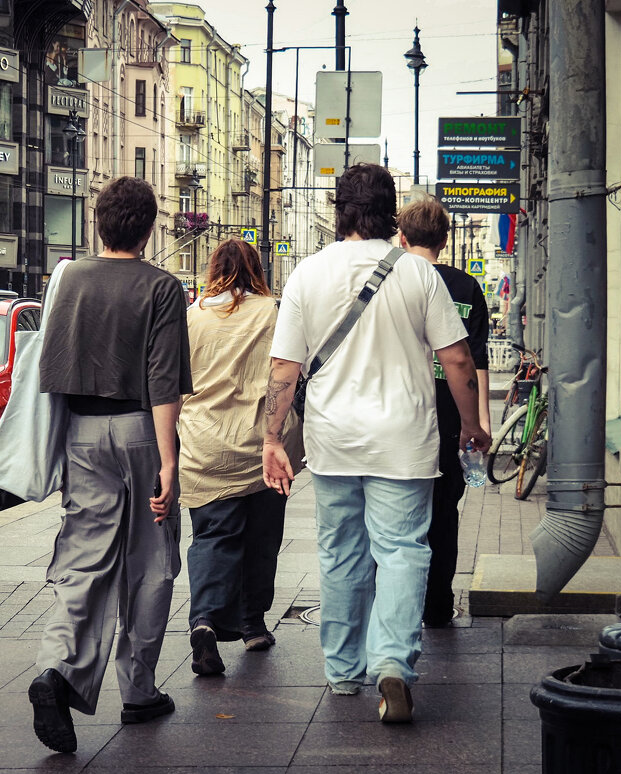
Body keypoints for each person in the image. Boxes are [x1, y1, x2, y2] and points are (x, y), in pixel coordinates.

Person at [261, 164, 490, 724]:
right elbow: (457, 359)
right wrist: (471, 425)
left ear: (339, 208)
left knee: (340, 554)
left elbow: (284, 370)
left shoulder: (307, 274)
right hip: (404, 441)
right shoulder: (418, 274)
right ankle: (391, 664)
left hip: (334, 441)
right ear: (391, 213)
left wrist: (271, 438)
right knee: (403, 552)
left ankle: (342, 671)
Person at [28, 176, 192, 753]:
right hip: (140, 431)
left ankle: (56, 669)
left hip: (81, 433)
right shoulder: (162, 287)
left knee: (82, 558)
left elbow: (51, 364)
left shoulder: (68, 280)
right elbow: (164, 382)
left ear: (98, 223)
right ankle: (138, 689)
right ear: (149, 229)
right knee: (150, 562)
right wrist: (168, 465)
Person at [179, 238, 303, 676]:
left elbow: (176, 384)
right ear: (257, 271)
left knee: (213, 537)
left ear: (214, 270)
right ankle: (252, 625)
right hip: (262, 446)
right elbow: (289, 371)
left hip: (204, 446)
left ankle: (206, 621)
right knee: (262, 538)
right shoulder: (274, 313)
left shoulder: (191, 317)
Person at [397, 197, 491, 627]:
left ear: (401, 235)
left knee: (395, 516)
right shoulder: (466, 287)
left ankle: (397, 606)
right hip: (452, 417)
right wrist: (479, 423)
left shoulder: (391, 280)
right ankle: (437, 604)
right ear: (445, 239)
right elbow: (474, 360)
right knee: (444, 513)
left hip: (400, 414)